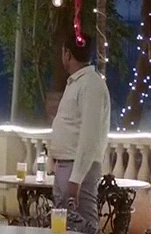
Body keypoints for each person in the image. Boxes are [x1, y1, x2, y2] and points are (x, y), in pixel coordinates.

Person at [47, 36, 110, 210]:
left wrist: (76, 178)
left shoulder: (91, 84)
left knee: (83, 221)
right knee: (63, 221)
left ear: (67, 54)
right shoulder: (76, 83)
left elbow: (90, 135)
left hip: (77, 167)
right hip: (65, 165)